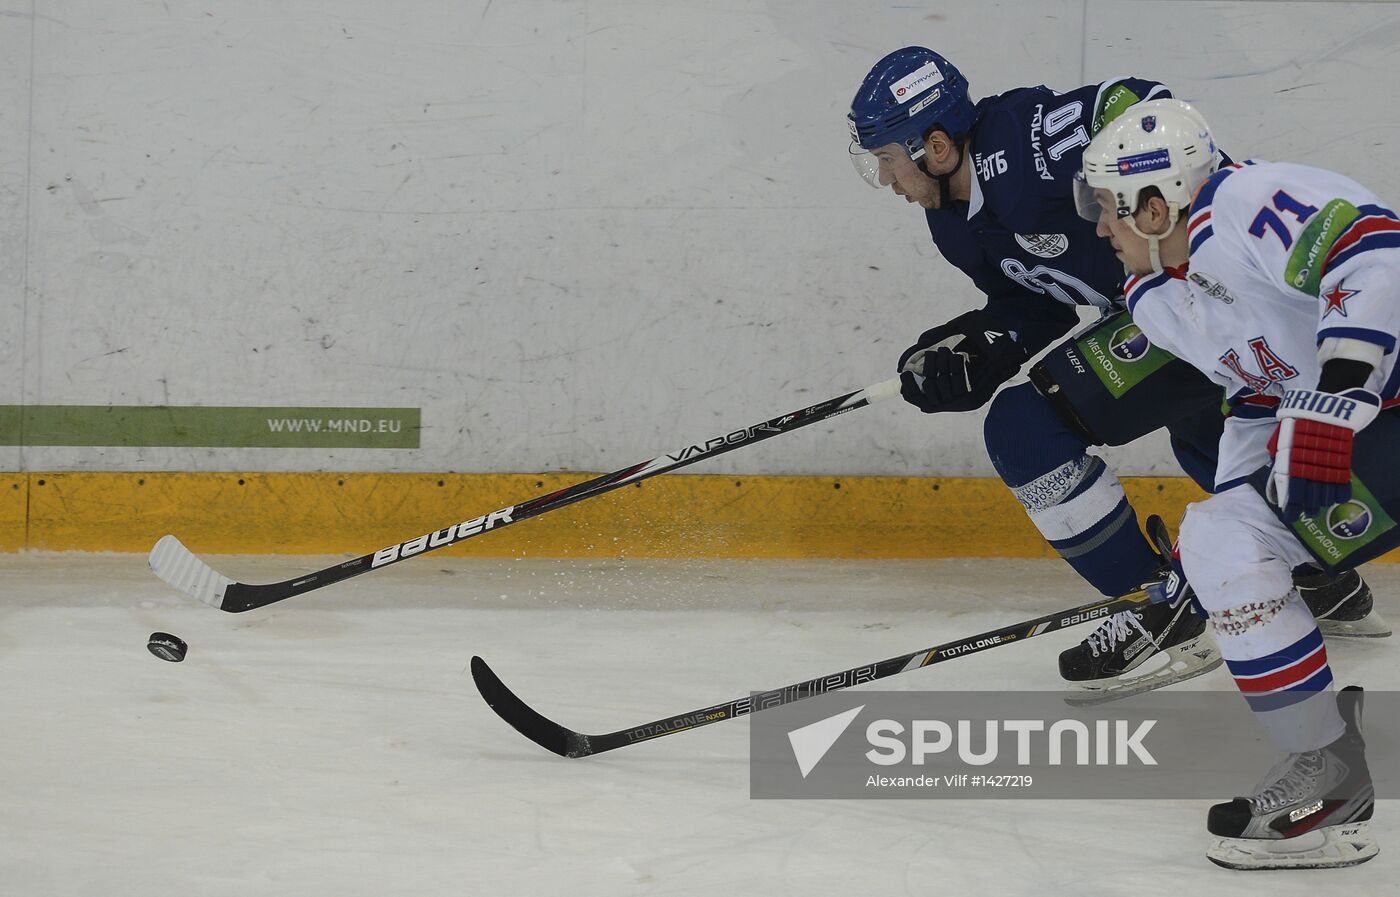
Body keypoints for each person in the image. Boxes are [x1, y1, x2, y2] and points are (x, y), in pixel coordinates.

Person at [846, 47, 1387, 702]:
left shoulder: (1021, 139)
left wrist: (1152, 206)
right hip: (1165, 317)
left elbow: (1138, 102)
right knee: (1205, 443)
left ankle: (1160, 611)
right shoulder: (952, 227)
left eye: (885, 161)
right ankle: (1320, 583)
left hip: (1192, 294)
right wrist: (980, 344)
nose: (886, 181)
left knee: (1025, 427)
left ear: (934, 144)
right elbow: (1034, 308)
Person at [1078, 97, 1400, 869]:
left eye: (1107, 209)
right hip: (1382, 435)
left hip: (1383, 409)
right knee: (1220, 537)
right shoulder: (1156, 296)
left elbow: (1376, 252)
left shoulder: (1246, 202)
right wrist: (1218, 563)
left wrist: (1339, 394)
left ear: (1155, 205)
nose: (1098, 228)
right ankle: (1327, 779)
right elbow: (1257, 394)